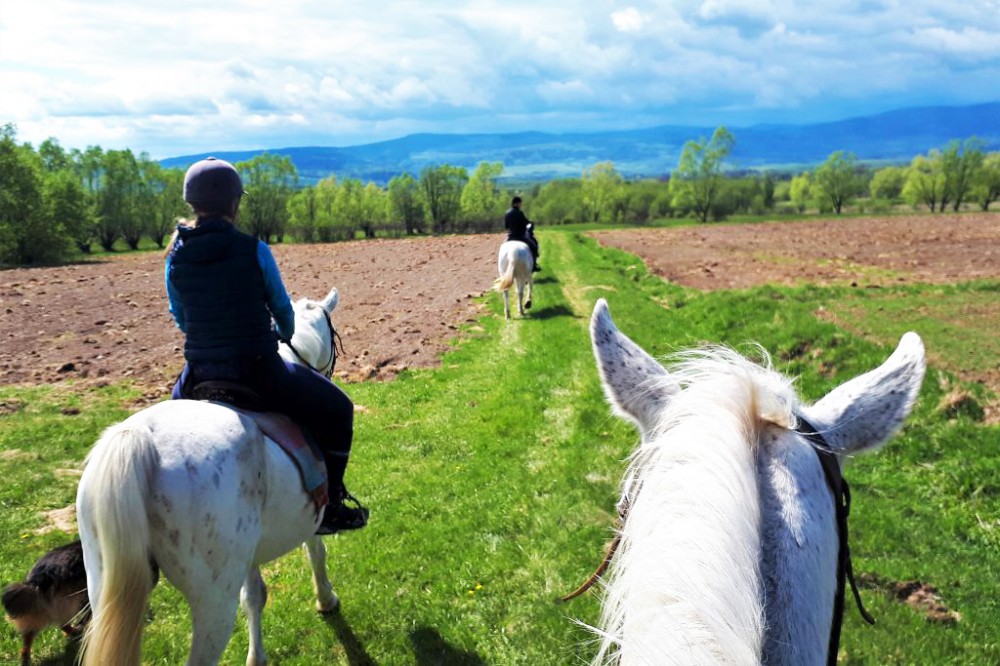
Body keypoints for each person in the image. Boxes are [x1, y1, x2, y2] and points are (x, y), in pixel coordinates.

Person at [164, 157, 368, 535]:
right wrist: (281, 331)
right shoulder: (254, 250)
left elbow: (180, 316)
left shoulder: (174, 255)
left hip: (199, 372)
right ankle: (332, 504)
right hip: (258, 369)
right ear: (235, 203)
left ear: (191, 203)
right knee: (339, 409)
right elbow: (282, 311)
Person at [504, 196, 541, 272]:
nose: (520, 205)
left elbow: (506, 226)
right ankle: (534, 265)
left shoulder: (507, 213)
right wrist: (531, 223)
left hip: (510, 237)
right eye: (520, 203)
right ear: (517, 203)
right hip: (520, 236)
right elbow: (525, 223)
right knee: (533, 246)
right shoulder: (519, 213)